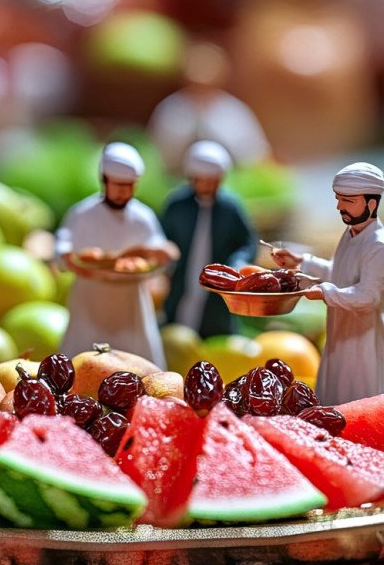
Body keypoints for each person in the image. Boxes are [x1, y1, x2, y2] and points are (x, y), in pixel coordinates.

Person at [272, 162, 384, 406]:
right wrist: (302, 261)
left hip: (361, 340)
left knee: (357, 398)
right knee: (333, 392)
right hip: (339, 332)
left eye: (348, 200)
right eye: (338, 199)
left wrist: (326, 293)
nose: (339, 207)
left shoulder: (379, 247)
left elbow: (368, 297)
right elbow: (338, 273)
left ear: (372, 204)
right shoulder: (351, 234)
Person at [55, 142, 179, 367]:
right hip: (90, 298)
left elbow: (158, 249)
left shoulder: (142, 216)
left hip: (130, 300)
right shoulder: (83, 214)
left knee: (137, 362)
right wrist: (70, 259)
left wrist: (161, 254)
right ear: (104, 181)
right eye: (117, 185)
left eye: (128, 186)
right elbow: (63, 246)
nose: (122, 191)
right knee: (82, 358)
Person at [160, 140, 257, 337]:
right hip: (182, 277)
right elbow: (162, 237)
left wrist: (238, 263)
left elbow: (247, 242)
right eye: (202, 180)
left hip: (217, 284)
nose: (207, 185)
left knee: (215, 324)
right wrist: (164, 260)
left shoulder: (231, 208)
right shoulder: (177, 205)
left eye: (213, 181)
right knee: (177, 325)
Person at [146, 42, 271, 174]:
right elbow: (160, 156)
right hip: (178, 178)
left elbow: (254, 155)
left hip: (229, 178)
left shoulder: (234, 111)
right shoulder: (171, 108)